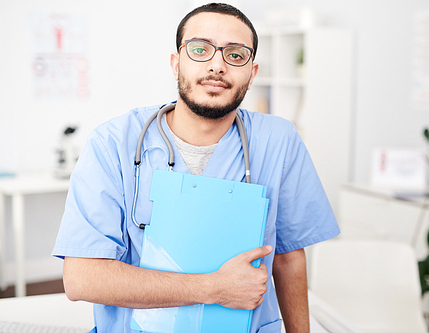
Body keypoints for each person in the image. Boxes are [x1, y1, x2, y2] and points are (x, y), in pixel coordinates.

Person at [52, 3, 340, 333]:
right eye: (200, 50)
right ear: (176, 64)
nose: (217, 65)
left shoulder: (279, 140)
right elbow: (81, 278)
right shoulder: (113, 143)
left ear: (252, 72)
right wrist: (214, 288)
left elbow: (288, 256)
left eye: (235, 55)